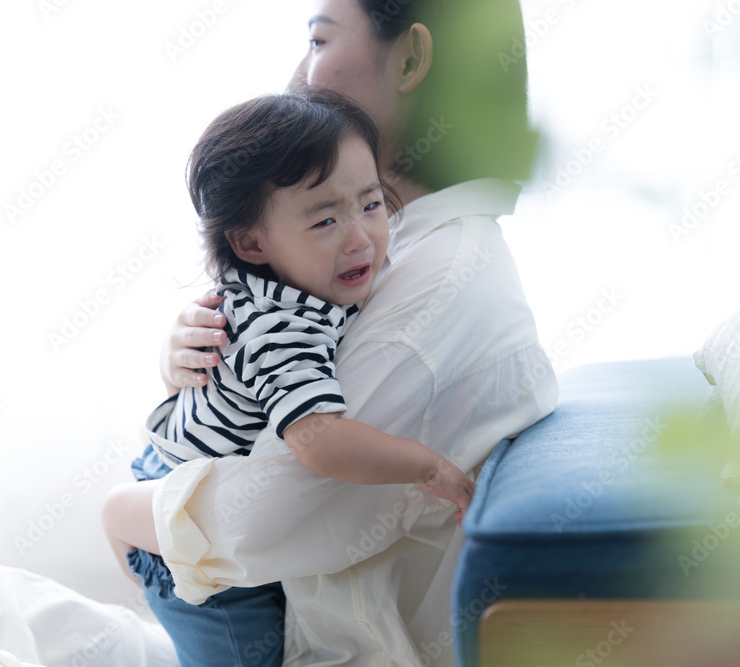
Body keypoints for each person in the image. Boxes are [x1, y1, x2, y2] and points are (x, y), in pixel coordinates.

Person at [132, 1, 558, 666]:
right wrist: (191, 357)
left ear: (411, 58)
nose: (298, 73)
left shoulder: (432, 281)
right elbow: (271, 375)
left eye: (318, 39)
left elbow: (254, 517)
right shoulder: (392, 242)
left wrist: (117, 512)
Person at [101, 88, 476, 667]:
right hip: (186, 540)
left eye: (372, 204)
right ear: (252, 243)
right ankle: (121, 514)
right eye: (325, 220)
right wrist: (427, 466)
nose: (360, 237)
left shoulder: (303, 282)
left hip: (192, 486)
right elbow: (317, 439)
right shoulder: (281, 326)